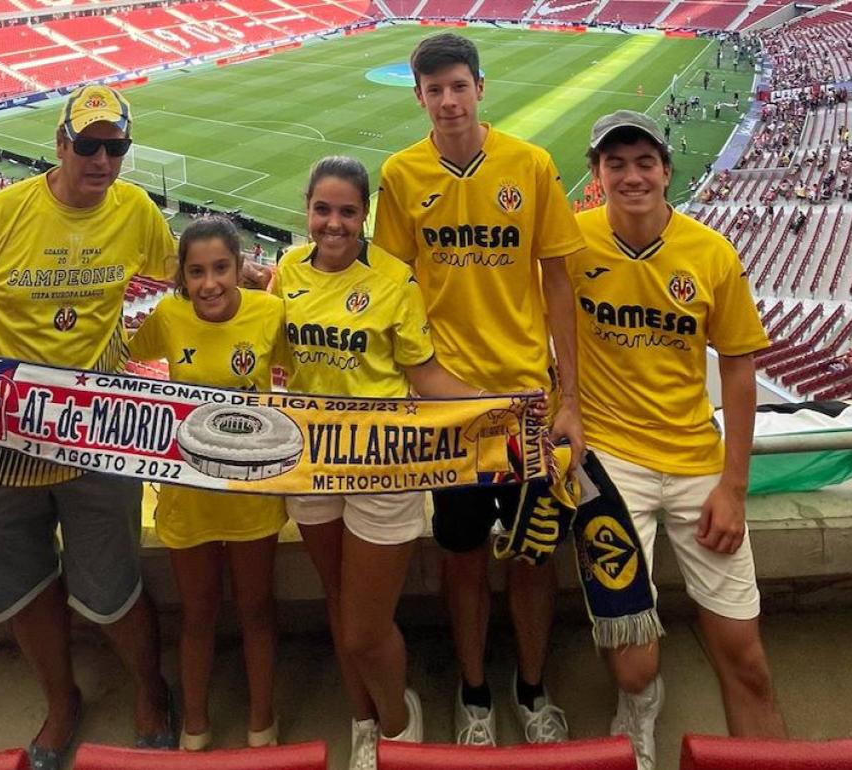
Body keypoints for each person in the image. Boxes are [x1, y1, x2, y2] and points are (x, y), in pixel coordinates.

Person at [0, 84, 175, 768]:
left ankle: (151, 692)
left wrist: (261, 277)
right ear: (59, 144)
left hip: (93, 427)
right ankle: (62, 701)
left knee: (111, 586)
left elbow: (187, 273)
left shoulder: (136, 212)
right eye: (88, 145)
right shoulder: (3, 212)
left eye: (116, 147)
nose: (102, 159)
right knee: (21, 585)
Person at [372, 33, 585, 747]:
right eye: (435, 90)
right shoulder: (401, 175)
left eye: (459, 86)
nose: (449, 101)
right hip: (452, 408)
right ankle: (472, 694)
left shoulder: (530, 164)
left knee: (532, 555)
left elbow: (558, 282)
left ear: (480, 88)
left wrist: (570, 397)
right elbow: (390, 289)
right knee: (460, 556)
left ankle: (531, 687)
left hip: (525, 400)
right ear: (420, 98)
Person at [568, 110, 786, 770]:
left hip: (696, 460)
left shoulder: (710, 253)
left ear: (666, 170)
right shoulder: (569, 245)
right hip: (607, 465)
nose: (630, 176)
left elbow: (741, 367)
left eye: (643, 163)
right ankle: (638, 708)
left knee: (745, 659)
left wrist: (733, 485)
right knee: (633, 666)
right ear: (598, 174)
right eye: (615, 164)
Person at [277, 157, 513, 768]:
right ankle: (364, 718)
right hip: (311, 460)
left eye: (347, 211)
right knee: (335, 598)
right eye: (322, 209)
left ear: (365, 216)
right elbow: (268, 355)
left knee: (363, 625)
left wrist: (500, 409)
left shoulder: (394, 279)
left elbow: (425, 373)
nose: (333, 223)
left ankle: (401, 722)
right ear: (307, 209)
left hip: (383, 464)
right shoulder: (285, 272)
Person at [127, 216, 284, 752]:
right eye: (196, 272)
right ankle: (195, 722)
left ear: (240, 268)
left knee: (257, 609)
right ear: (181, 279)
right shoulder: (169, 315)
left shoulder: (269, 311)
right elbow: (116, 354)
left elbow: (307, 367)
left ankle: (262, 719)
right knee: (198, 613)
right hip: (188, 494)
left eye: (220, 268)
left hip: (252, 492)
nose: (210, 283)